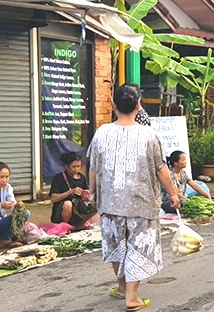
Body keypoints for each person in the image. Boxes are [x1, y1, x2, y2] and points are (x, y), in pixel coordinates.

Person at [86, 83, 180, 311]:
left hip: (110, 203)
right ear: (139, 104)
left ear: (113, 104)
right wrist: (173, 193)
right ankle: (131, 297)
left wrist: (92, 191)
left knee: (116, 245)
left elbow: (94, 167)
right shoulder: (149, 135)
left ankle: (121, 288)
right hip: (141, 202)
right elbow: (161, 169)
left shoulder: (102, 132)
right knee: (138, 247)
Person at [49, 151, 98, 229]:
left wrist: (86, 196)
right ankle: (65, 227)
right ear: (66, 166)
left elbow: (87, 193)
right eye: (74, 167)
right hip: (63, 211)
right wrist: (70, 192)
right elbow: (53, 199)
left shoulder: (82, 177)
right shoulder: (58, 178)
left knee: (97, 203)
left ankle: (82, 223)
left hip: (78, 208)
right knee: (68, 204)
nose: (77, 169)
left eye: (79, 166)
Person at [0, 162, 30, 248]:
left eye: (7, 177)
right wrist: (1, 205)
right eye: (1, 177)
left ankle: (4, 239)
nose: (4, 180)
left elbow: (12, 203)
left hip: (1, 222)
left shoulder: (8, 188)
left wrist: (18, 206)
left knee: (25, 213)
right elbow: (3, 205)